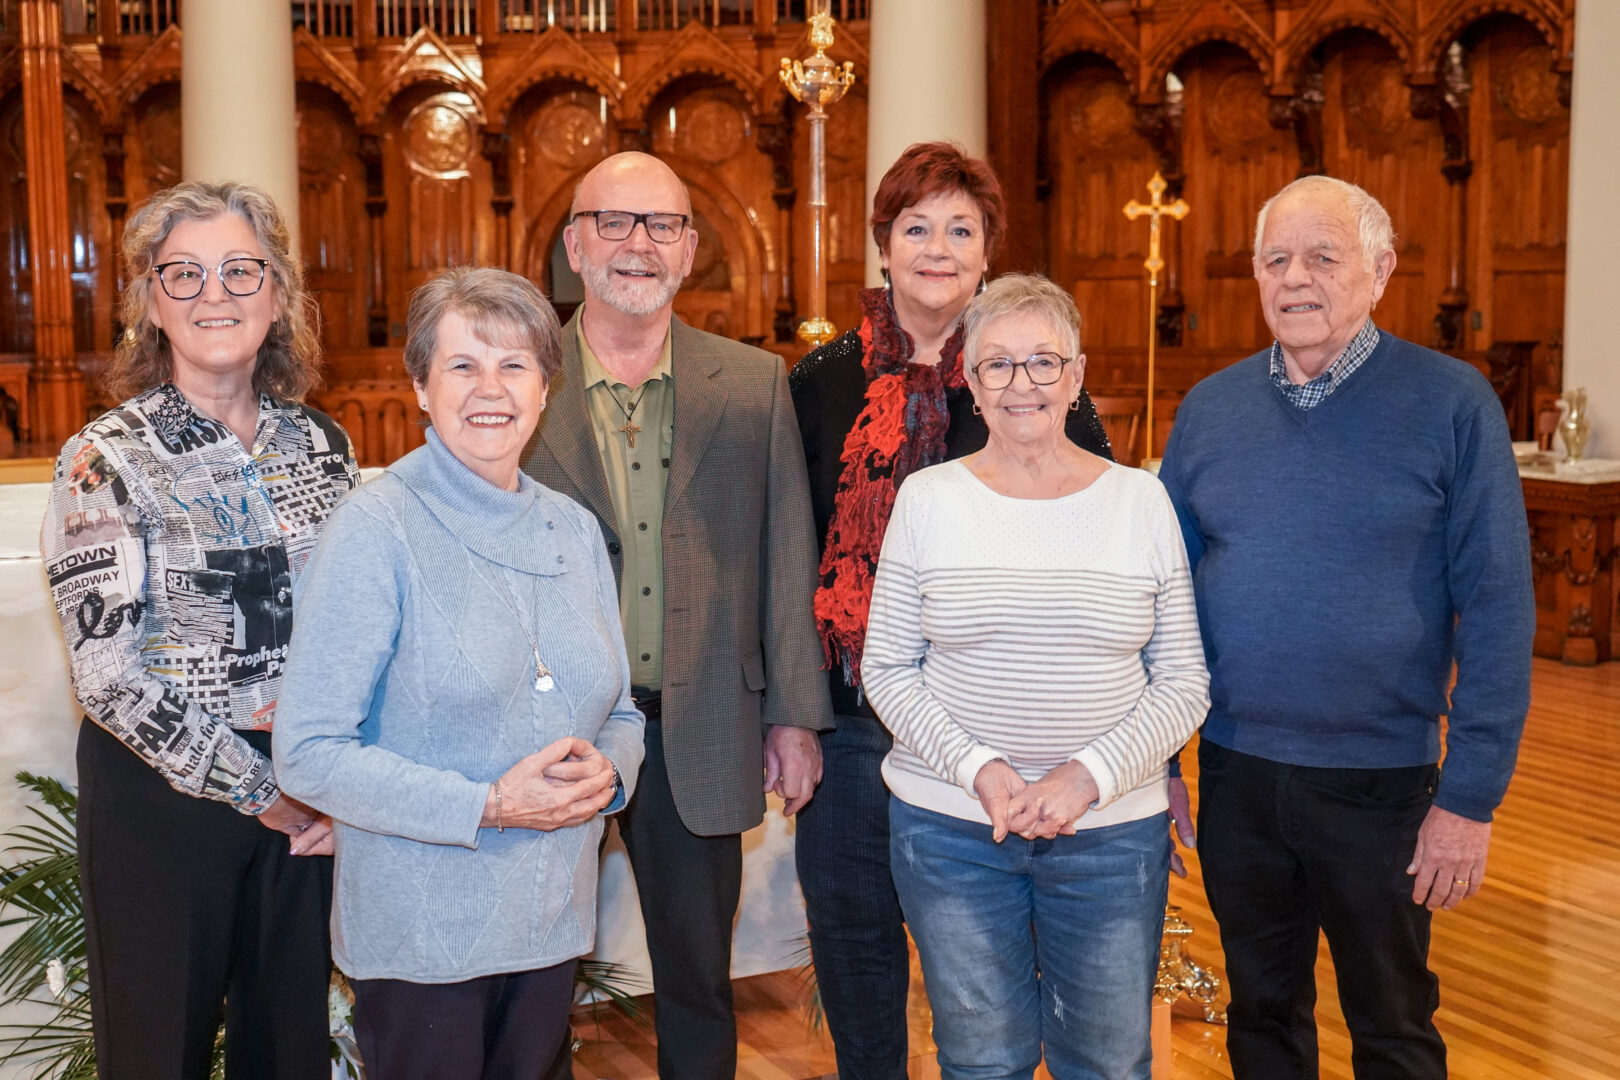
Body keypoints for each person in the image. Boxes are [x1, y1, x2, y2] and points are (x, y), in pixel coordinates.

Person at [1157, 175, 1535, 1079]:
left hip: (1385, 781)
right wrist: (1161, 761)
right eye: (1276, 259)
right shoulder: (1210, 409)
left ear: (1380, 271)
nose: (1296, 279)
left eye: (1323, 257)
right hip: (1240, 775)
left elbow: (1497, 604)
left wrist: (1470, 798)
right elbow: (1161, 598)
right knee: (1262, 1017)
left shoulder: (1452, 402)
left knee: (1394, 1027)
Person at [789, 142, 1119, 1079]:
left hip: (999, 725)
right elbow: (789, 555)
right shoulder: (821, 381)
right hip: (857, 722)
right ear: (884, 247)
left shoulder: (1031, 378)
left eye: (960, 229)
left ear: (987, 256)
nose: (937, 248)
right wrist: (794, 715)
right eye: (916, 227)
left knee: (986, 978)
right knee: (855, 949)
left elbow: (1101, 550)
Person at [273, 266, 645, 1079]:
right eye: (462, 365)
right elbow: (307, 751)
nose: (492, 389)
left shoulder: (574, 528)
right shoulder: (376, 528)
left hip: (550, 919)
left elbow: (619, 708)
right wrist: (492, 804)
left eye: (515, 365)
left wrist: (612, 769)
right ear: (419, 385)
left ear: (547, 387)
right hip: (424, 933)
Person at [522, 150, 833, 1080]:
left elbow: (787, 553)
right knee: (537, 979)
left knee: (698, 981)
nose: (637, 244)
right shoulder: (516, 385)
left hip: (701, 724)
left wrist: (794, 717)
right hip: (550, 737)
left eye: (661, 225)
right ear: (575, 245)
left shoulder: (750, 384)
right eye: (614, 223)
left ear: (690, 249)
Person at [42, 181, 358, 1080]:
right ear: (148, 302)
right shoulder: (104, 457)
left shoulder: (323, 446)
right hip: (163, 799)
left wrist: (335, 781)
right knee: (157, 1053)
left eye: (239, 271)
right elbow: (107, 677)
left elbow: (354, 625)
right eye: (183, 274)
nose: (214, 295)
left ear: (280, 294)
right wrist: (261, 791)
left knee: (290, 1049)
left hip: (305, 789)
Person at [861, 273, 1211, 1080]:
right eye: (998, 366)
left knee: (1109, 1063)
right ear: (970, 384)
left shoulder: (1140, 502)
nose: (1023, 385)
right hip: (952, 830)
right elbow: (888, 666)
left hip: (1110, 834)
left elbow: (1183, 678)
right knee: (983, 1060)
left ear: (1077, 375)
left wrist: (1086, 778)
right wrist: (978, 769)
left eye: (1043, 363)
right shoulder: (927, 499)